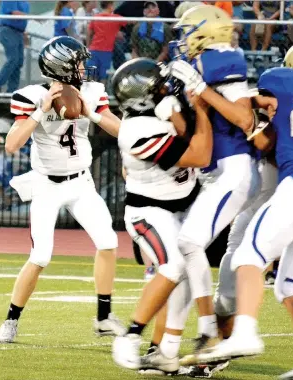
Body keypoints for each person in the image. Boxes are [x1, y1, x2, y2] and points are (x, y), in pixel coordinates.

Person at [196, 39, 293, 379]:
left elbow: (252, 110)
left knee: (246, 261)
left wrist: (204, 90)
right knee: (282, 286)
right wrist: (257, 125)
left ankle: (244, 334)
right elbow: (267, 140)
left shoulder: (281, 83)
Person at [138, 4, 260, 370]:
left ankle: (207, 332)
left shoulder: (222, 58)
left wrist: (201, 89)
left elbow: (244, 117)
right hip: (213, 175)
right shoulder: (195, 65)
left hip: (233, 169)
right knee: (182, 258)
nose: (181, 40)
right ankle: (170, 349)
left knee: (188, 244)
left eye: (187, 32)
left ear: (206, 32)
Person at [0, 36, 125, 344]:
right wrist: (40, 111)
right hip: (46, 185)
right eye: (78, 62)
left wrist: (92, 114)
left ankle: (104, 317)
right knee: (41, 256)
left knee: (107, 242)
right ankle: (11, 319)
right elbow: (12, 145)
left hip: (81, 182)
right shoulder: (31, 96)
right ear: (62, 66)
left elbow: (122, 131)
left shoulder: (91, 92)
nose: (84, 67)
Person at [111, 57, 213, 373]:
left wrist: (183, 104)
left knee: (184, 272)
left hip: (181, 206)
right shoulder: (137, 129)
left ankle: (164, 353)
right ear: (145, 95)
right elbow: (201, 155)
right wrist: (202, 107)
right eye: (160, 85)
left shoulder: (161, 109)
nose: (168, 88)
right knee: (173, 266)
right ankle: (129, 337)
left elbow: (189, 133)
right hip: (150, 212)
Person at [0, 1, 30, 93]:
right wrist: (34, 17)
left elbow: (22, 19)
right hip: (8, 31)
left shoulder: (25, 3)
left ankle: (12, 91)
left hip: (19, 33)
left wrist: (24, 35)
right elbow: (15, 13)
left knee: (19, 61)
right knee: (13, 59)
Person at [86, 1, 127, 84]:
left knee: (90, 75)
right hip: (106, 51)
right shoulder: (116, 18)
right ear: (110, 6)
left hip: (94, 49)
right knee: (103, 76)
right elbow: (129, 22)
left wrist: (88, 47)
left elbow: (89, 33)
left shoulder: (96, 17)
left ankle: (88, 94)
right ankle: (101, 95)